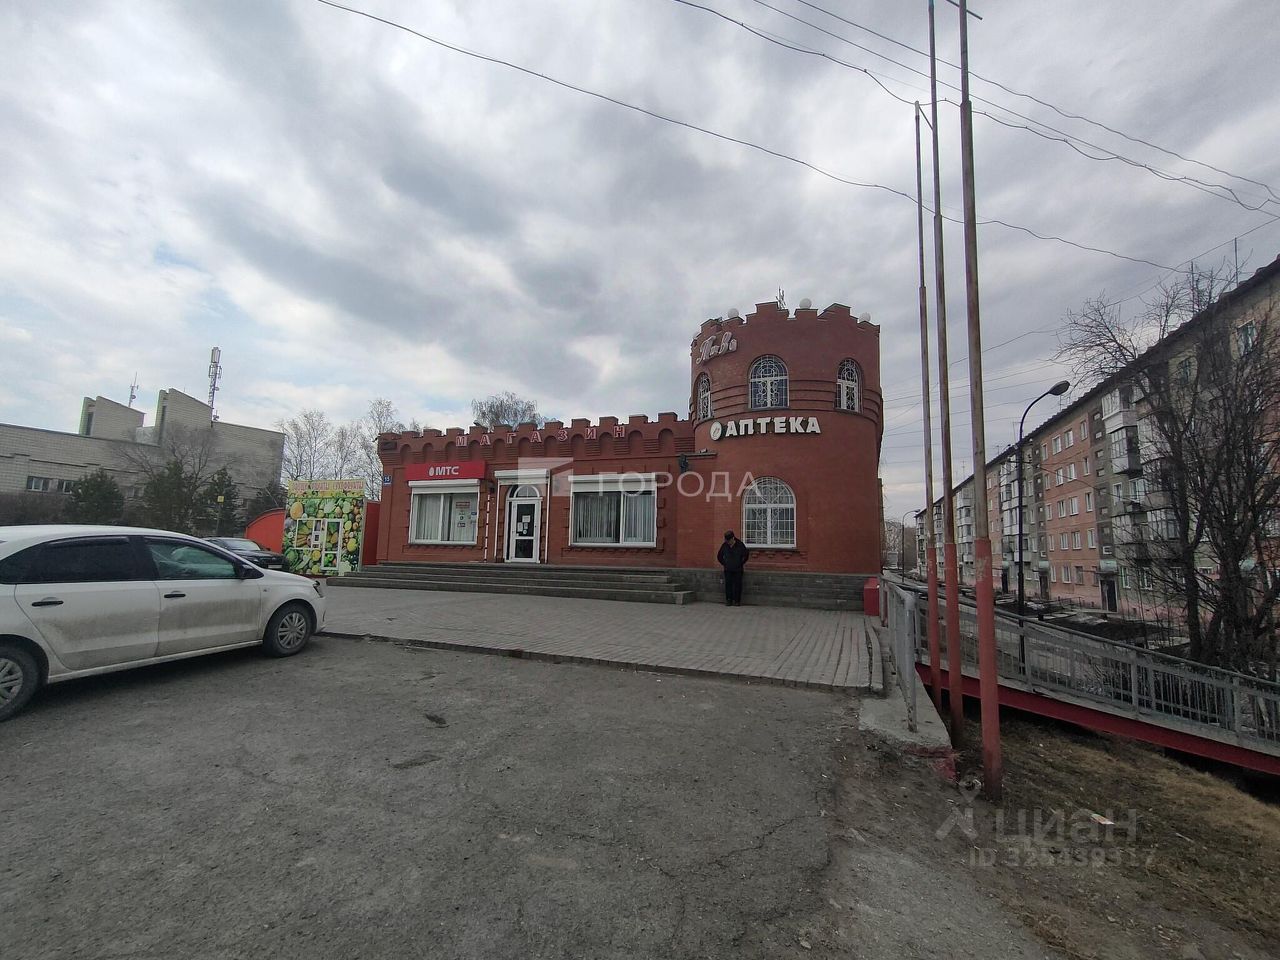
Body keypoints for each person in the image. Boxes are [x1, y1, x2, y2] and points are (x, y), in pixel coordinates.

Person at [716, 530, 749, 606]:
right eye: (726, 541)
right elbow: (719, 556)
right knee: (728, 585)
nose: (728, 542)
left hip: (738, 569)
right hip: (728, 569)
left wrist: (740, 563)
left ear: (733, 538)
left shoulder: (740, 545)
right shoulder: (724, 545)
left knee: (738, 585)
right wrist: (725, 564)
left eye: (729, 540)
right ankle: (729, 600)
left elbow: (746, 555)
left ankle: (737, 601)